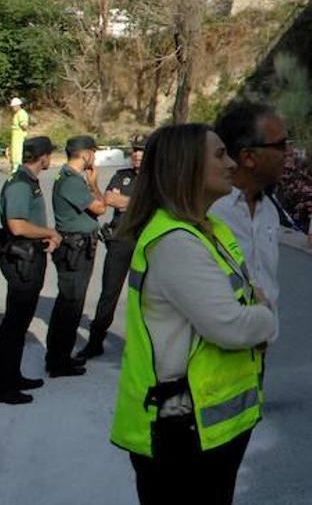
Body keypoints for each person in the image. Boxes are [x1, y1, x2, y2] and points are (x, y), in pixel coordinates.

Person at [110, 123, 276, 505]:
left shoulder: (208, 229)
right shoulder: (176, 243)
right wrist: (266, 316)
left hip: (204, 426)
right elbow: (233, 325)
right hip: (183, 429)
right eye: (220, 155)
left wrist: (254, 309)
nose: (232, 163)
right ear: (186, 167)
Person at [210, 102, 287, 339]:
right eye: (280, 146)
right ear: (249, 157)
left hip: (255, 355)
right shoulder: (210, 212)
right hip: (215, 357)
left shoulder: (269, 212)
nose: (287, 154)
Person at [0, 136, 61, 404]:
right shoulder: (20, 184)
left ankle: (13, 376)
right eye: (49, 155)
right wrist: (50, 231)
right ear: (44, 157)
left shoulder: (27, 180)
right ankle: (5, 385)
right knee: (14, 326)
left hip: (30, 257)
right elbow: (17, 225)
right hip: (21, 260)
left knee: (20, 323)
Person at [78, 133, 147, 360]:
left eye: (142, 151)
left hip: (145, 242)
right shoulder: (122, 175)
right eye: (135, 150)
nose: (137, 155)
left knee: (145, 296)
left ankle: (142, 347)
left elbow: (156, 205)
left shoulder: (156, 179)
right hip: (119, 240)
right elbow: (108, 199)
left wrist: (126, 201)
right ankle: (95, 341)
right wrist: (139, 202)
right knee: (109, 293)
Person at [47, 134, 106, 377]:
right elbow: (100, 207)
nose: (95, 156)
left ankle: (60, 358)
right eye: (94, 152)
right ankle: (58, 362)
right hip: (75, 250)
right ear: (86, 154)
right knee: (70, 307)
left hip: (77, 247)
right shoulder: (72, 181)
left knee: (68, 305)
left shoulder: (68, 177)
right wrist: (94, 183)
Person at [9, 97, 29, 165]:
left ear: (18, 106)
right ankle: (14, 171)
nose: (12, 108)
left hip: (19, 138)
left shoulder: (21, 113)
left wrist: (23, 125)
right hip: (15, 139)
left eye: (13, 107)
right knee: (14, 155)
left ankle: (17, 172)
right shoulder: (16, 114)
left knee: (17, 155)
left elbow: (24, 126)